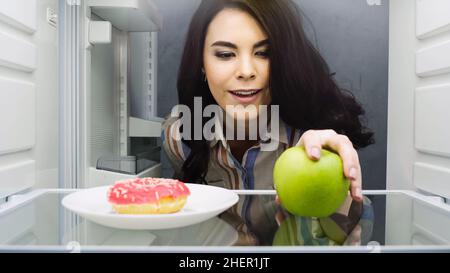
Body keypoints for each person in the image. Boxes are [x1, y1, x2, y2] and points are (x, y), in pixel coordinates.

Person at [162, 0, 374, 205]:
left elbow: (353, 229)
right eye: (226, 54)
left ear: (285, 59)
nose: (246, 71)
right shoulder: (178, 138)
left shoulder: (318, 140)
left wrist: (339, 187)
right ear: (201, 64)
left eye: (263, 53)